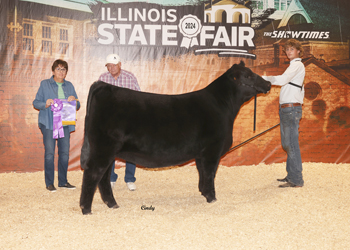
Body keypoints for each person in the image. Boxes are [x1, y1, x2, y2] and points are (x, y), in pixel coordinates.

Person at [263, 39, 305, 188]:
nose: (288, 52)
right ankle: (291, 175)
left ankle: (297, 179)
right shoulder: (293, 66)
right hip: (287, 109)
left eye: (291, 49)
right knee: (288, 144)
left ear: (298, 51)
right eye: (287, 50)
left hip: (291, 109)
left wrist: (261, 79)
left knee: (291, 144)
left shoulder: (297, 65)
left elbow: (282, 80)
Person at [33, 59, 80, 192]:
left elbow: (78, 104)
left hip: (65, 123)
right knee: (49, 154)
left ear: (66, 72)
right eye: (58, 69)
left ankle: (63, 182)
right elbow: (36, 102)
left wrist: (74, 100)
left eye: (64, 69)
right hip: (48, 123)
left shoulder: (69, 86)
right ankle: (49, 183)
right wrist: (45, 104)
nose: (61, 71)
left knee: (64, 153)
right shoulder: (45, 84)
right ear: (53, 71)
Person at [98, 54, 140, 191]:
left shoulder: (130, 77)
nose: (111, 68)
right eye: (109, 65)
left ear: (120, 64)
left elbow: (138, 98)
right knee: (110, 149)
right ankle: (110, 177)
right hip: (110, 121)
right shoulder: (102, 79)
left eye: (114, 65)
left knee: (131, 149)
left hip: (128, 120)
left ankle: (129, 179)